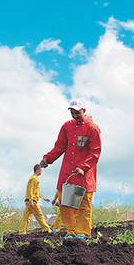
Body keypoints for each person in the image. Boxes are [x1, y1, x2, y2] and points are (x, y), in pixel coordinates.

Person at [40, 99, 102, 241]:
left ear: (84, 111)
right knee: (65, 203)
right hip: (68, 172)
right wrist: (47, 159)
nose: (74, 115)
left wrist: (83, 167)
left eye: (77, 112)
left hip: (84, 174)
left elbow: (95, 152)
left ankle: (83, 232)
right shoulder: (67, 127)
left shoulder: (92, 128)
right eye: (72, 112)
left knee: (83, 203)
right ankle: (71, 231)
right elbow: (59, 147)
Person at [19, 164, 52, 234]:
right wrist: (31, 201)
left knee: (26, 217)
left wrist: (44, 198)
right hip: (32, 201)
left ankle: (22, 231)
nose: (41, 172)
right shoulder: (33, 178)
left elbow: (36, 192)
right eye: (40, 170)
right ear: (37, 170)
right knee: (39, 215)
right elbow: (30, 190)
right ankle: (47, 229)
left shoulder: (35, 178)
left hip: (29, 201)